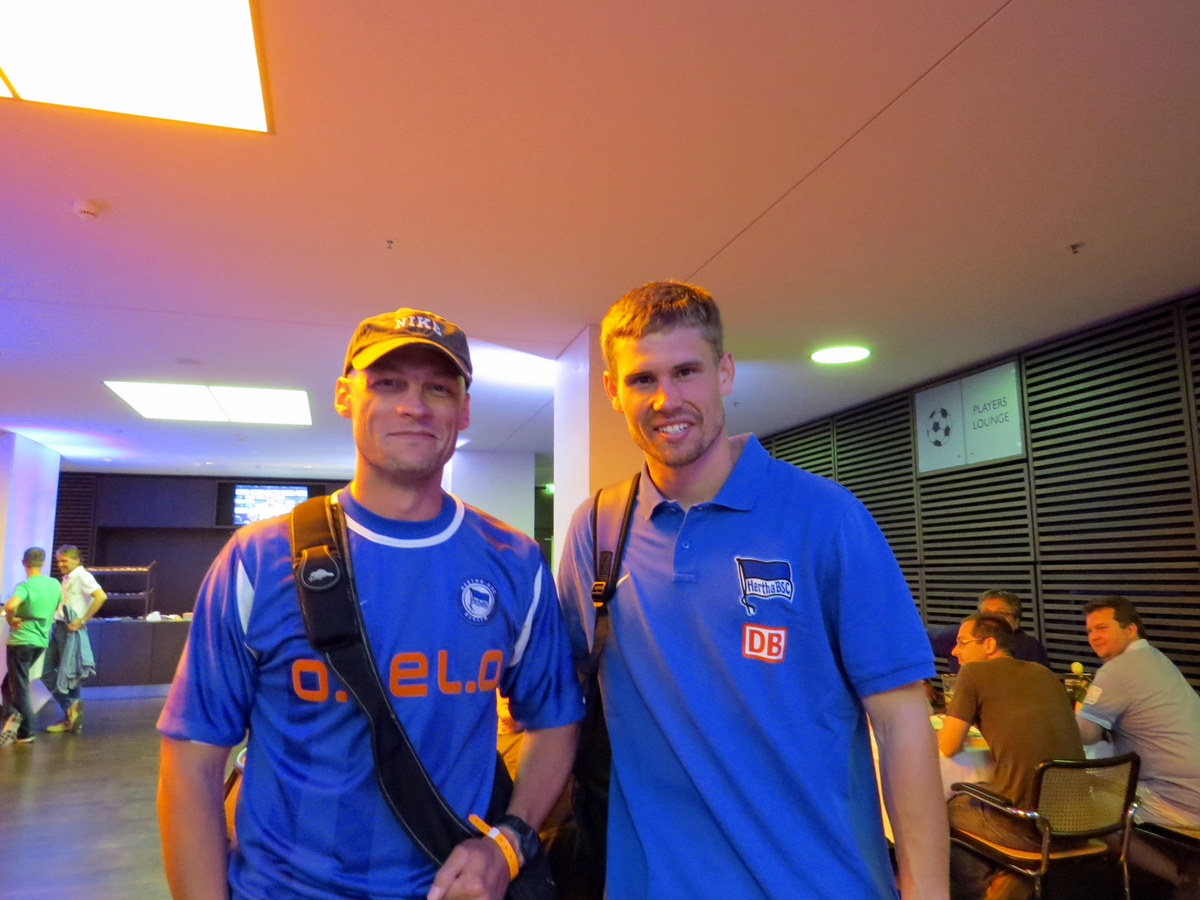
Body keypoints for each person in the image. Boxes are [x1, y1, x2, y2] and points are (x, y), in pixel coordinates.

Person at [156, 307, 583, 900]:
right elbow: (193, 764)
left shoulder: (512, 562)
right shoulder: (258, 559)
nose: (414, 406)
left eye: (438, 388)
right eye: (388, 383)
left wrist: (507, 844)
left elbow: (555, 719)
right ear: (344, 395)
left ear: (463, 410)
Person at [556, 280, 948, 899]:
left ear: (725, 372)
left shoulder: (825, 516)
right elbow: (556, 697)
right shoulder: (599, 529)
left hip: (821, 882)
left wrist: (927, 891)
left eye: (686, 371)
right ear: (611, 389)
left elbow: (902, 721)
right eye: (642, 379)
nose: (666, 399)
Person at [939, 614, 1084, 900]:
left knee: (943, 810)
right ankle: (1011, 879)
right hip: (1081, 820)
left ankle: (987, 891)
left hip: (1029, 825)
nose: (955, 651)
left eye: (962, 642)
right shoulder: (1043, 673)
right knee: (981, 792)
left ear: (989, 644)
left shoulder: (973, 673)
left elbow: (948, 745)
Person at [1077, 595, 1200, 896]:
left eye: (1102, 628)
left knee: (1088, 809)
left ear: (1130, 629)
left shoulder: (1118, 669)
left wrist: (1060, 714)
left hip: (1181, 797)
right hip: (1192, 784)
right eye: (1090, 630)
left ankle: (1182, 879)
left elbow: (1086, 734)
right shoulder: (1156, 658)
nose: (1094, 637)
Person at [40, 544, 103, 733]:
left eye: (64, 560)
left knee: (61, 672)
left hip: (69, 630)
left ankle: (69, 713)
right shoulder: (68, 577)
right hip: (60, 627)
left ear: (76, 560)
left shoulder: (82, 576)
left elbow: (101, 596)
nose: (60, 564)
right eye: (58, 561)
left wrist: (82, 620)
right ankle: (71, 712)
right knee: (58, 672)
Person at [1, 547, 61, 745]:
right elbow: (57, 605)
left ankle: (25, 730)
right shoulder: (54, 584)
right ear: (43, 562)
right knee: (8, 685)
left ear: (23, 562)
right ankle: (12, 718)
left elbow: (10, 606)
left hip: (22, 640)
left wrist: (11, 619)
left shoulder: (25, 586)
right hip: (40, 640)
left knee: (18, 687)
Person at [928, 590, 1050, 675]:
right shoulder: (960, 634)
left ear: (1016, 622)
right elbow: (917, 641)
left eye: (1001, 614)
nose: (992, 620)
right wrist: (922, 682)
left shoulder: (1029, 646)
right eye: (986, 614)